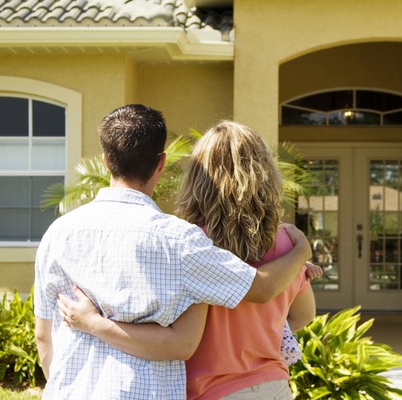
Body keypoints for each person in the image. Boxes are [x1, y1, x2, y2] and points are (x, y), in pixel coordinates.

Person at [33, 105, 312, 399]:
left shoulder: (57, 233)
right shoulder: (180, 241)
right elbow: (265, 293)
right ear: (161, 163)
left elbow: (43, 336)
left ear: (105, 161)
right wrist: (301, 250)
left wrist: (87, 336)